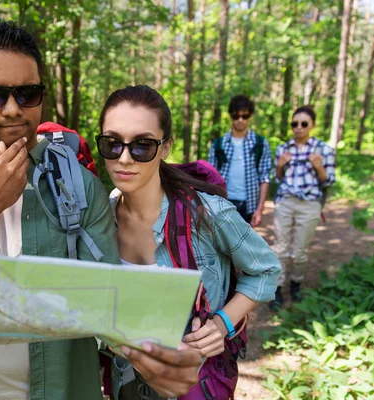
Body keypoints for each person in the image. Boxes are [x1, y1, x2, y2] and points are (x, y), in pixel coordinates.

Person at [0, 21, 201, 400]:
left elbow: (106, 308)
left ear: (42, 96)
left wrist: (155, 357)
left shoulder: (82, 187)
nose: (11, 109)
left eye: (27, 93)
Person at [97, 85, 281, 399]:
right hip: (124, 383)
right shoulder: (100, 217)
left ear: (166, 147)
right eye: (112, 143)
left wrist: (222, 324)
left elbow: (265, 270)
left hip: (197, 385)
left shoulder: (207, 213)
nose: (124, 158)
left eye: (142, 145)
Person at [269, 105, 336, 310]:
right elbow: (277, 178)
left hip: (310, 204)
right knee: (280, 247)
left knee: (300, 251)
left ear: (312, 125)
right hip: (286, 201)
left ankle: (296, 283)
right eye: (294, 123)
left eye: (303, 123)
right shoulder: (284, 149)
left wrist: (319, 167)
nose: (298, 127)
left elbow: (329, 181)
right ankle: (277, 289)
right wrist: (280, 165)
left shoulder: (323, 150)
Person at [208, 95, 272, 226]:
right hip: (223, 202)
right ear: (231, 116)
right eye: (236, 116)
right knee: (222, 244)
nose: (240, 120)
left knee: (245, 245)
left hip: (249, 204)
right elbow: (210, 178)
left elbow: (264, 178)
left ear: (250, 116)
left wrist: (259, 210)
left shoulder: (260, 143)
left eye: (245, 116)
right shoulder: (218, 144)